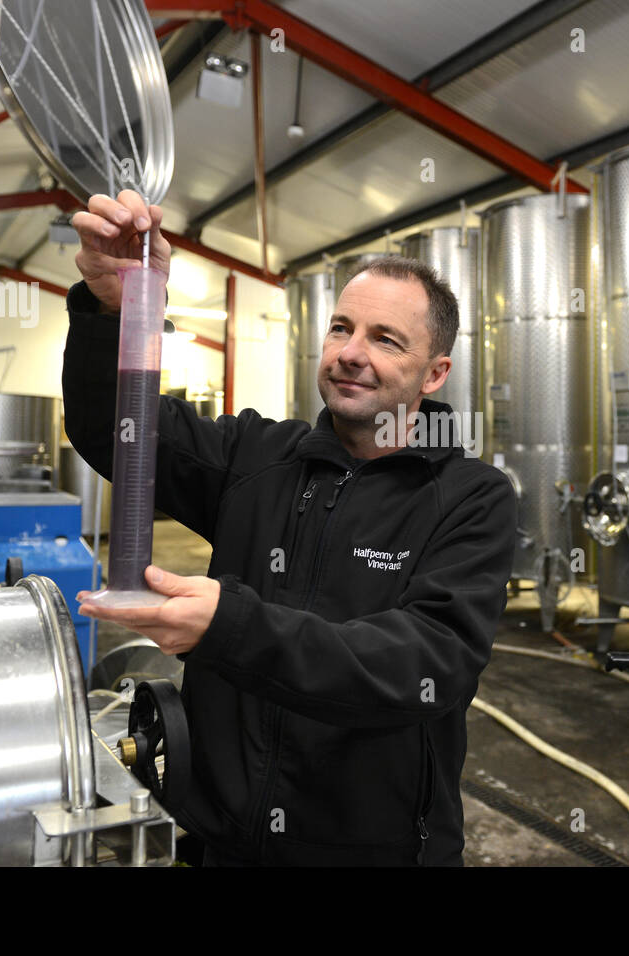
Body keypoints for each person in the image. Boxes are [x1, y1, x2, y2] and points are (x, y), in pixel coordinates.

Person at [63, 190, 517, 865]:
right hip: (222, 841)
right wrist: (112, 308)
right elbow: (116, 433)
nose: (350, 353)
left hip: (371, 852)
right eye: (341, 328)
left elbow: (425, 664)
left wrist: (233, 628)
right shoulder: (255, 457)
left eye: (385, 340)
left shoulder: (468, 497)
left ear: (435, 373)